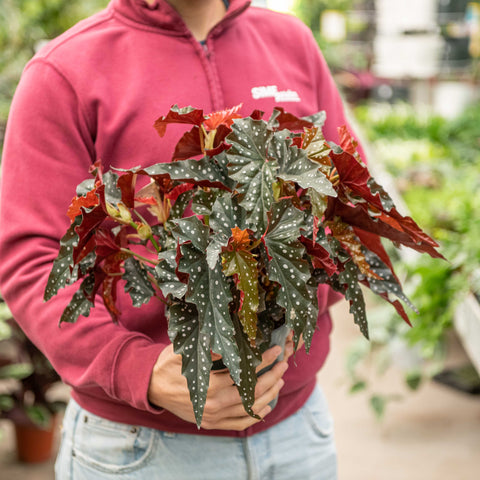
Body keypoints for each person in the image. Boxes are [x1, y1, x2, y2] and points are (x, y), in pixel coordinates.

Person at [0, 1, 364, 478]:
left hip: (296, 434)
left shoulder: (290, 40)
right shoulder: (64, 70)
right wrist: (138, 371)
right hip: (139, 448)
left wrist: (302, 298)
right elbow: (31, 260)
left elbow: (349, 205)